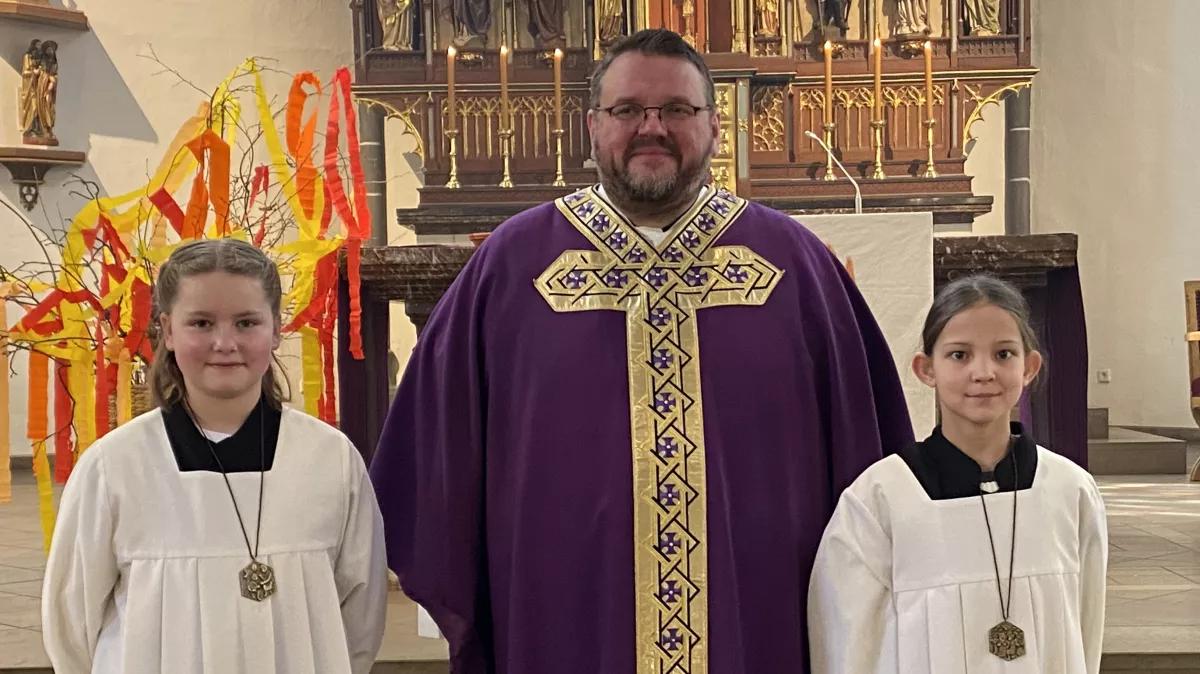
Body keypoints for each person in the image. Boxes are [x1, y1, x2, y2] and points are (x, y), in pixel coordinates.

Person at [370, 28, 913, 674]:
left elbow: (870, 463)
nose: (651, 128)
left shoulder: (793, 268)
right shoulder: (513, 269)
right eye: (628, 110)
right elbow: (431, 455)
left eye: (677, 111)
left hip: (757, 623)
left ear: (715, 126)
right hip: (565, 622)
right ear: (593, 125)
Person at [42, 238, 388, 674]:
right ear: (167, 331)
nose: (225, 342)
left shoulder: (330, 459)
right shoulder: (115, 466)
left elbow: (360, 611)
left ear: (276, 329)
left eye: (246, 323)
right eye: (201, 323)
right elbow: (71, 625)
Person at [808, 274, 1108, 674]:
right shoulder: (881, 497)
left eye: (1003, 354)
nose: (983, 372)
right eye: (959, 355)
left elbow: (1084, 624)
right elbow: (845, 640)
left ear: (1030, 367)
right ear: (926, 368)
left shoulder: (1069, 489)